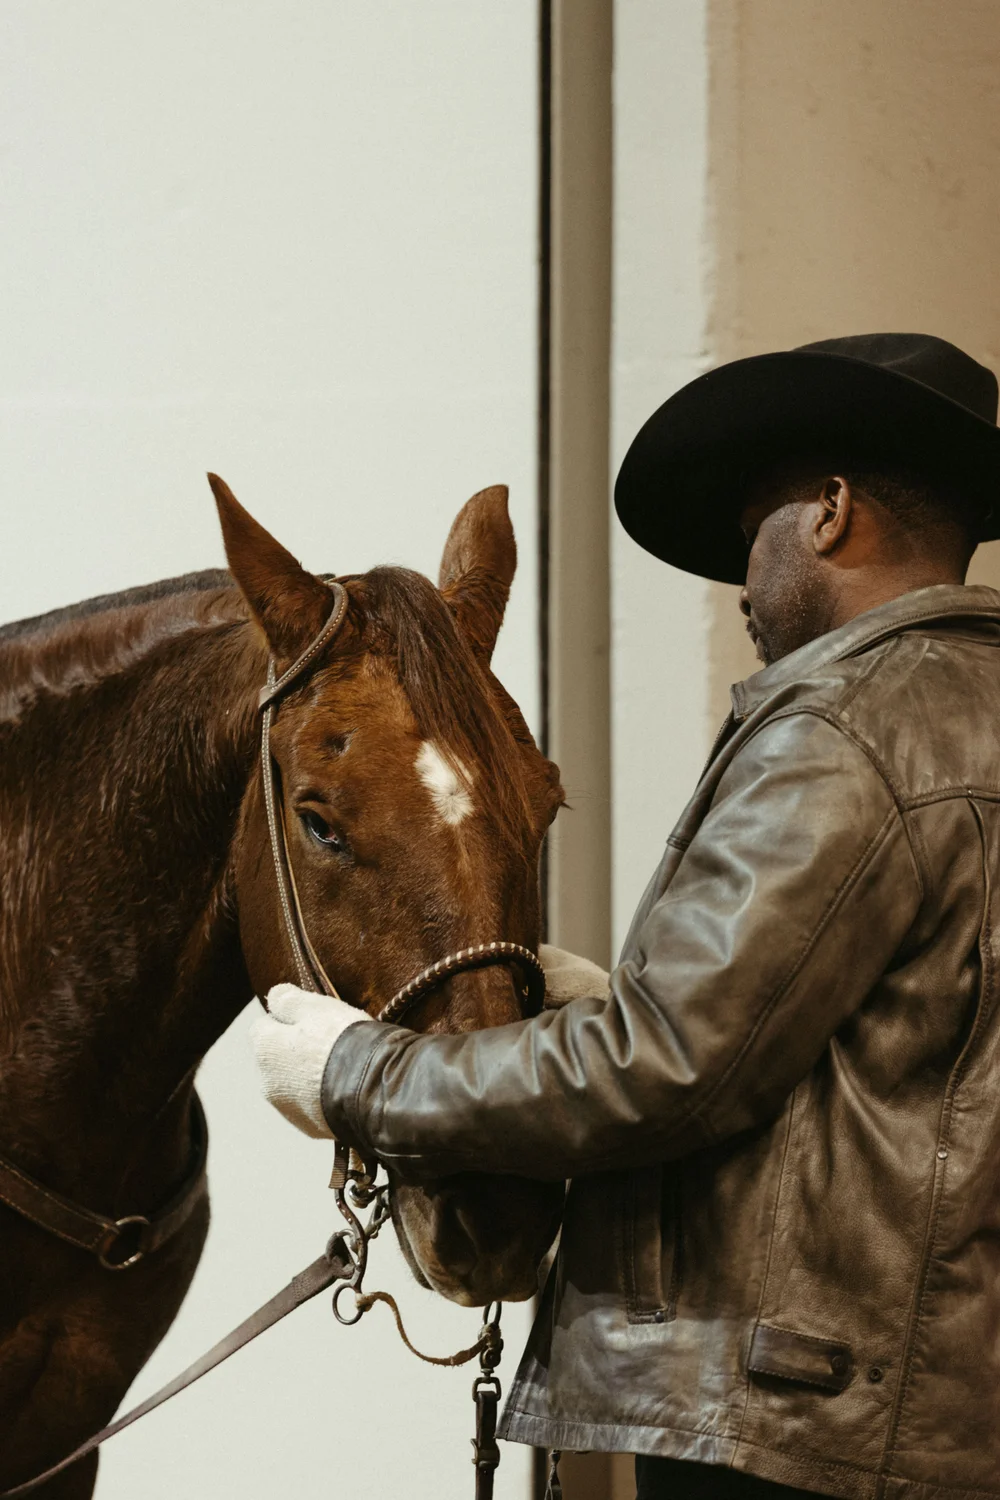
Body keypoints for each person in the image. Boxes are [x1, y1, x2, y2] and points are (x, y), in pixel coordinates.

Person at [251, 333, 1000, 1500]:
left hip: (784, 1425)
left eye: (752, 536)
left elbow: (671, 1067)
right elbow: (909, 1060)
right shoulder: (972, 713)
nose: (741, 591)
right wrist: (622, 1001)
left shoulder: (841, 728)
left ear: (831, 512)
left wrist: (359, 1072)